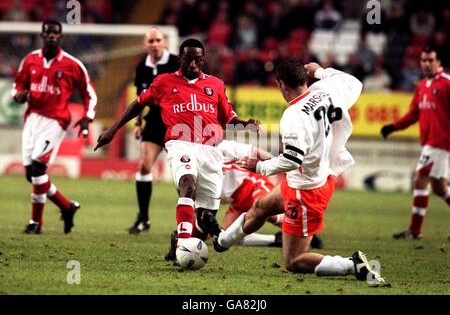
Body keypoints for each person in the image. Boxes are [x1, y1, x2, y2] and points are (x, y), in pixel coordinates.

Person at [204, 60, 385, 284]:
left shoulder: (293, 115)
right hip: (308, 178)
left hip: (308, 190)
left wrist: (259, 167)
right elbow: (354, 83)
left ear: (281, 85)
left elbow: (292, 158)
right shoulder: (326, 89)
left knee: (294, 261)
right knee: (261, 207)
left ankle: (352, 264)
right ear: (305, 78)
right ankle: (223, 241)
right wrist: (320, 71)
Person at [94, 38, 259, 260]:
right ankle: (183, 244)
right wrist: (113, 130)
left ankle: (179, 238)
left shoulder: (216, 85)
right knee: (187, 186)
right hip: (180, 143)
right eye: (188, 59)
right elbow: (138, 103)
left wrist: (245, 124)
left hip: (210, 149)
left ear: (203, 60)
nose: (192, 64)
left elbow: (230, 117)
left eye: (197, 60)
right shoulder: (164, 82)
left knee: (205, 216)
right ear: (180, 58)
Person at [12, 20, 97, 234]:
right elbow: (18, 84)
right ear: (42, 34)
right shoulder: (30, 60)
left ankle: (36, 223)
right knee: (31, 175)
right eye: (48, 32)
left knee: (39, 168)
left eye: (55, 33)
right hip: (32, 119)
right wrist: (18, 95)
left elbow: (89, 93)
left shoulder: (72, 64)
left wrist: (87, 116)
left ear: (60, 37)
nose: (51, 35)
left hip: (56, 121)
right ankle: (67, 207)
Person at [381, 46, 450, 240]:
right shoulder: (421, 86)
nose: (426, 64)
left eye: (430, 60)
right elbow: (413, 115)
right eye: (423, 60)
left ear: (438, 62)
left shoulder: (446, 84)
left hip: (440, 143)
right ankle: (414, 230)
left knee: (420, 178)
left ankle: (414, 230)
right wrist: (393, 127)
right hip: (429, 142)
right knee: (439, 188)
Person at [128, 27, 179, 234]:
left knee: (182, 175)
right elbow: (140, 98)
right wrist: (138, 124)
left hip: (177, 122)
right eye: (151, 41)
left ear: (165, 43)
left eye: (158, 40)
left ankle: (194, 221)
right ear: (145, 45)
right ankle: (143, 217)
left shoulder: (176, 63)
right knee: (144, 166)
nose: (155, 44)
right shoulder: (142, 68)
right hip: (154, 122)